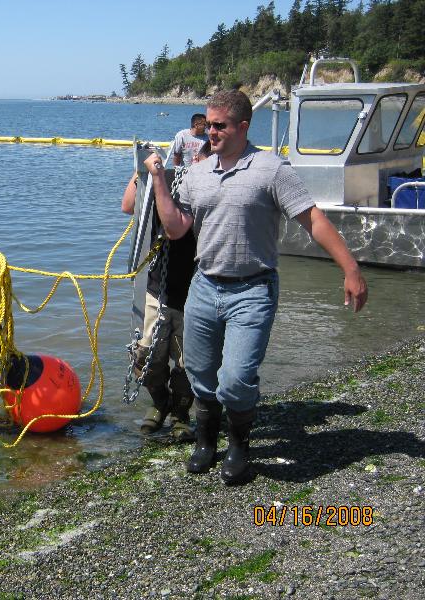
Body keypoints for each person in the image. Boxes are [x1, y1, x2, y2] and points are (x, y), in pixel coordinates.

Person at [146, 90, 368, 484]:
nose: (210, 133)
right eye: (208, 125)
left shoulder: (271, 169)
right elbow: (177, 227)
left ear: (243, 126)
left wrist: (350, 268)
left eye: (220, 126)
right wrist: (158, 180)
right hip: (204, 286)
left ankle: (238, 443)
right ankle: (206, 439)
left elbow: (313, 219)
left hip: (253, 289)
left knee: (236, 378)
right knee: (199, 372)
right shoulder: (197, 172)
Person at [120, 146, 205, 442]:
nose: (196, 165)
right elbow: (128, 206)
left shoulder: (209, 193)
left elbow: (175, 229)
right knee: (145, 356)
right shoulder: (164, 182)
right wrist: (143, 171)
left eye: (203, 161)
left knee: (187, 361)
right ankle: (160, 403)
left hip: (194, 291)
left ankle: (181, 413)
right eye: (193, 159)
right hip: (156, 288)